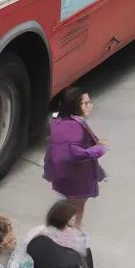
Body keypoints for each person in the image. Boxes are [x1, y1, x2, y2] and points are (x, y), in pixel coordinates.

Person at [43, 88, 106, 229]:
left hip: (63, 173)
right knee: (78, 205)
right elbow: (74, 152)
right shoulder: (74, 127)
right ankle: (74, 228)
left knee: (68, 201)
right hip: (76, 176)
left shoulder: (60, 121)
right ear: (75, 106)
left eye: (90, 102)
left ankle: (68, 225)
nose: (90, 105)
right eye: (85, 103)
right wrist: (98, 150)